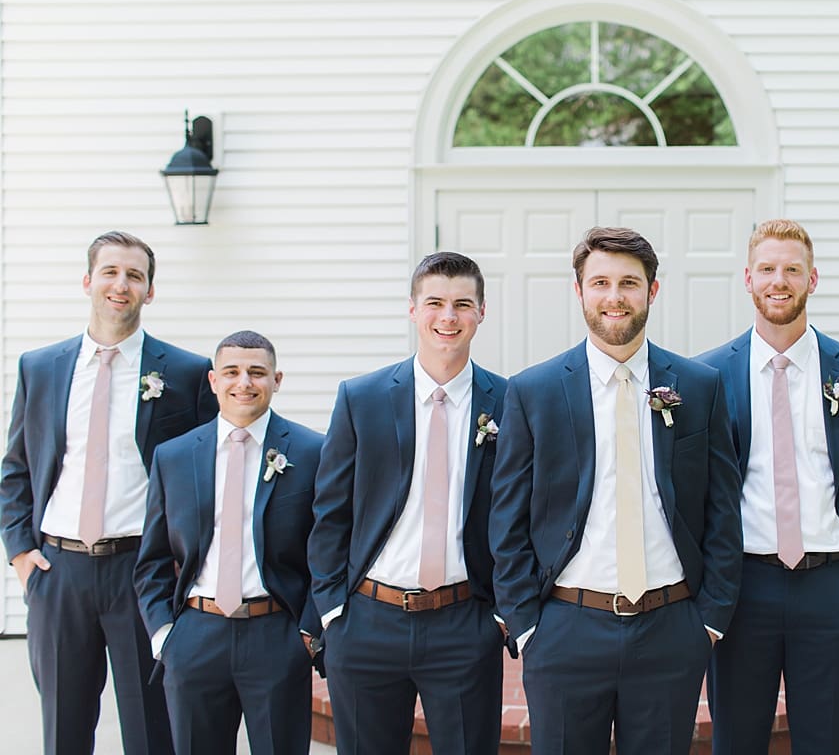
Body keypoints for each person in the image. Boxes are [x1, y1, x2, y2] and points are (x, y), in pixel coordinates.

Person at [490, 226, 742, 755]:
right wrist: (527, 625)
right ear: (578, 291)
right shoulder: (532, 392)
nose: (614, 297)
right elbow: (507, 519)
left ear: (652, 291)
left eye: (629, 283)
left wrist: (710, 622)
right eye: (599, 281)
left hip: (672, 627)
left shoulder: (699, 387)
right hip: (564, 628)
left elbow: (721, 509)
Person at [697, 218, 839, 755]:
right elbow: (693, 493)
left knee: (826, 741)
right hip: (742, 588)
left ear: (813, 279)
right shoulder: (707, 378)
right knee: (737, 739)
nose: (779, 281)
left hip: (835, 586)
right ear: (748, 279)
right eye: (768, 269)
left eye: (792, 270)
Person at [0, 230, 217, 755]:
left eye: (135, 276)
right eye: (111, 272)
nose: (121, 285)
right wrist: (22, 554)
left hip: (141, 573)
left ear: (150, 291)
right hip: (58, 573)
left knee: (151, 728)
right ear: (88, 281)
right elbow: (16, 469)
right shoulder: (41, 367)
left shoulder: (186, 374)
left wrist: (183, 566)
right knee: (64, 728)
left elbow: (210, 478)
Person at [308, 252, 507, 755]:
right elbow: (330, 514)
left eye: (463, 304)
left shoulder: (510, 402)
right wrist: (333, 611)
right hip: (369, 621)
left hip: (465, 622)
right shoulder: (362, 398)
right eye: (435, 303)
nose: (448, 317)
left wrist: (501, 617)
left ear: (482, 312)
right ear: (413, 310)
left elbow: (523, 514)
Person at [134, 330, 323, 754]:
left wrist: (307, 632)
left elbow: (326, 551)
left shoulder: (313, 452)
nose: (245, 382)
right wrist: (165, 634)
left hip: (276, 634)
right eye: (232, 372)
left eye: (257, 372)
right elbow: (152, 560)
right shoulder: (174, 456)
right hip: (196, 635)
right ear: (213, 381)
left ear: (277, 380)